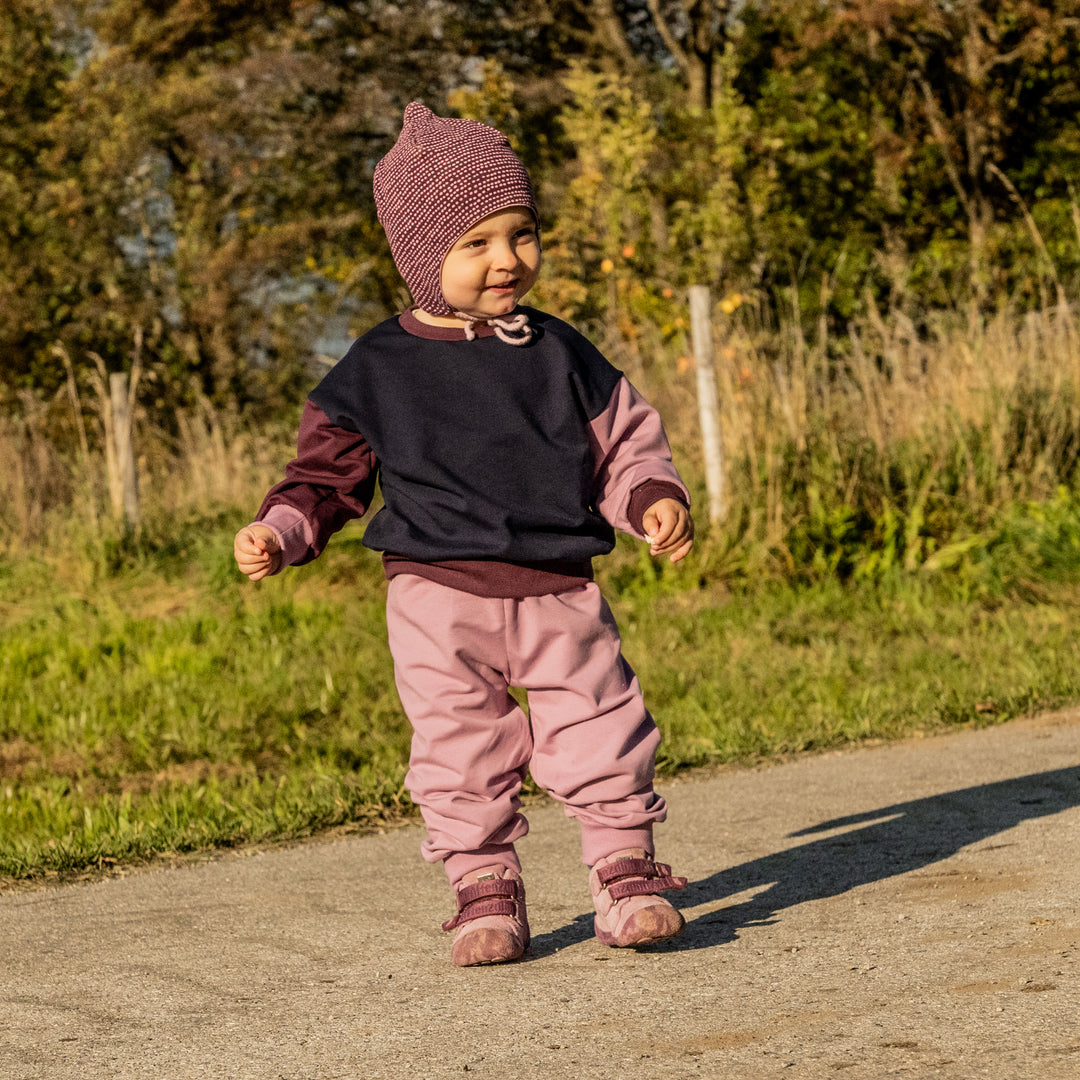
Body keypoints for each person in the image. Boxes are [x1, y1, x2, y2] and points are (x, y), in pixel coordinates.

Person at [234, 102, 694, 967]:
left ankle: (625, 874)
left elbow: (624, 440)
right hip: (436, 598)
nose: (506, 260)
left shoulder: (559, 352)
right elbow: (326, 477)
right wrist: (281, 530)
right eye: (474, 244)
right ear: (420, 255)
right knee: (458, 747)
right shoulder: (377, 368)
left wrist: (651, 498)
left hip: (560, 584)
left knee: (603, 725)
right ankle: (484, 889)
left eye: (520, 234)